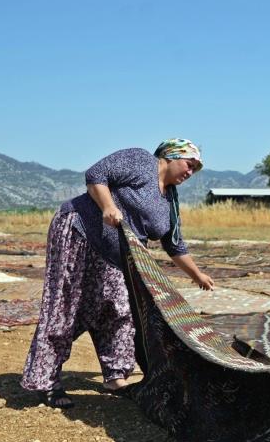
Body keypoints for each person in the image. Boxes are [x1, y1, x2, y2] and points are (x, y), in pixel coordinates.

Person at [21, 138, 215, 408]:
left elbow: (173, 243)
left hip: (116, 256)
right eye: (188, 164)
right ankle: (45, 381)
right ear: (170, 157)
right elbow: (96, 175)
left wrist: (197, 276)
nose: (189, 172)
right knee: (66, 306)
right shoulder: (140, 161)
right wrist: (108, 207)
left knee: (120, 310)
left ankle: (115, 375)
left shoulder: (170, 198)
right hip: (79, 233)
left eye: (195, 169)